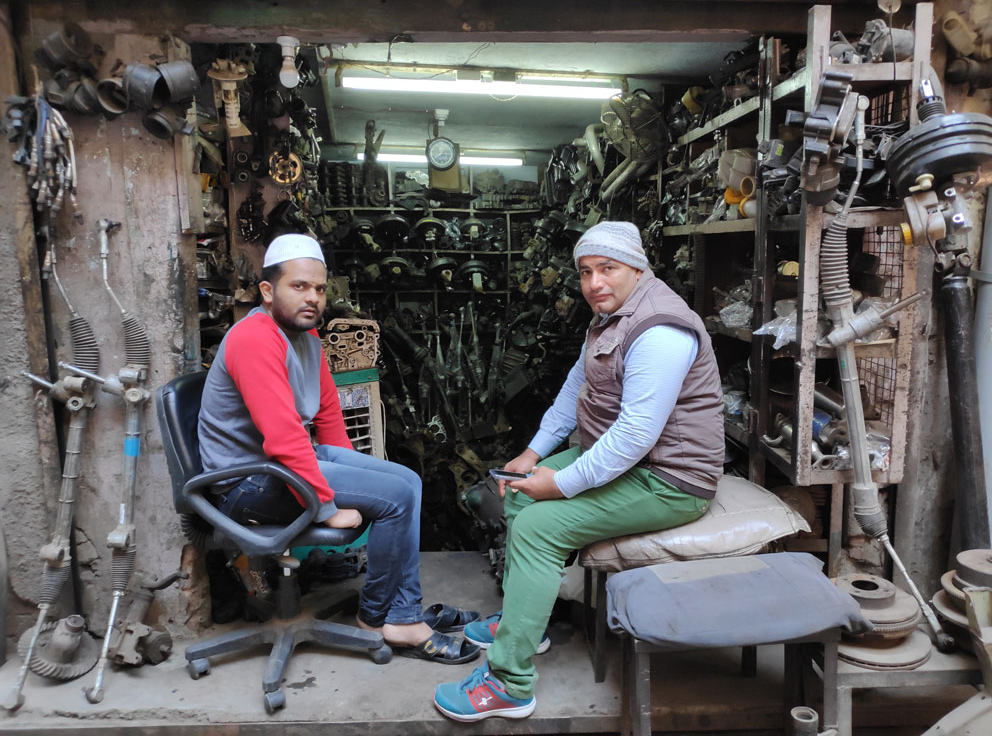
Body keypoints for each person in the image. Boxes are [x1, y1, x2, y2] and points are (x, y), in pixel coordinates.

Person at [434, 221, 725, 720]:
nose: (594, 283)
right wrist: (534, 453)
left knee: (540, 527)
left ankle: (509, 683)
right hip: (629, 462)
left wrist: (562, 483)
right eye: (586, 271)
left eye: (607, 268)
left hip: (670, 480)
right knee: (518, 492)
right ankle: (525, 624)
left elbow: (636, 435)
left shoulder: (660, 329)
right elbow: (576, 386)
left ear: (637, 268)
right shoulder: (611, 315)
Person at [198, 233, 479, 664]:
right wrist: (326, 505)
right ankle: (381, 619)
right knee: (396, 497)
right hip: (248, 482)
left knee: (406, 481)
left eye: (319, 288)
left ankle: (401, 611)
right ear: (268, 291)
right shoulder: (254, 338)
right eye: (299, 286)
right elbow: (283, 437)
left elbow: (328, 415)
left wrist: (359, 478)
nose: (312, 297)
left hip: (282, 467)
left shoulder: (306, 339)